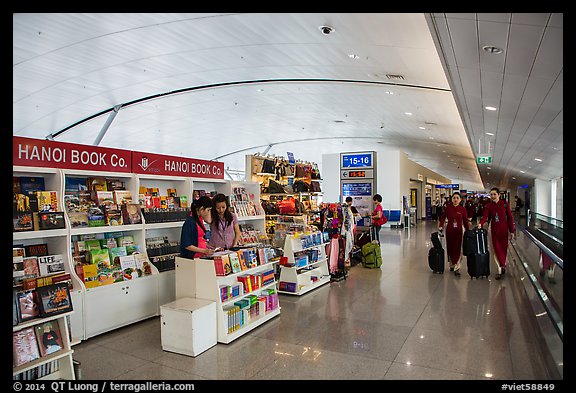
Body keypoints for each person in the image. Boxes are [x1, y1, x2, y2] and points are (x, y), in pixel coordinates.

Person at [477, 187, 515, 280]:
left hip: (503, 229)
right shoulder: (488, 206)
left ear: (499, 195)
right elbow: (485, 217)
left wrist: (512, 231)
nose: (493, 196)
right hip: (493, 229)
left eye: (494, 194)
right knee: (495, 249)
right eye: (491, 194)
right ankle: (498, 269)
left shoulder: (505, 204)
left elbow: (510, 218)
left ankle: (503, 265)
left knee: (503, 248)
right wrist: (480, 223)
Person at [438, 192, 470, 276]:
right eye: (454, 198)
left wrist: (468, 230)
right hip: (449, 230)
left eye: (457, 198)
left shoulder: (462, 209)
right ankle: (452, 264)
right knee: (450, 247)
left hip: (459, 230)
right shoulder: (448, 208)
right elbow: (443, 218)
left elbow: (465, 221)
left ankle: (457, 266)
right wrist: (441, 226)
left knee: (458, 247)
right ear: (452, 199)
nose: (455, 199)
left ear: (460, 200)